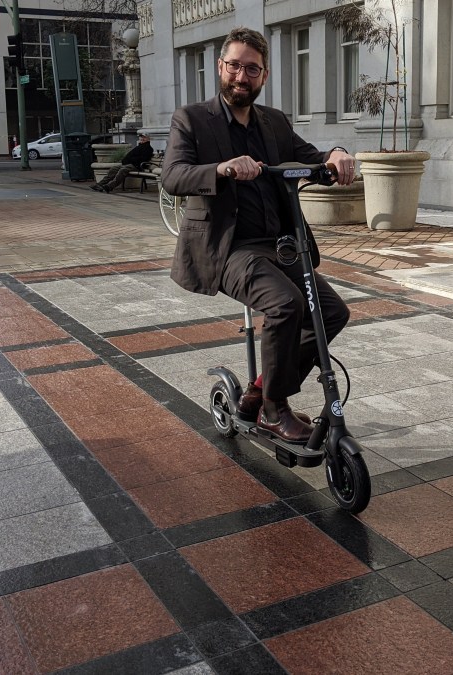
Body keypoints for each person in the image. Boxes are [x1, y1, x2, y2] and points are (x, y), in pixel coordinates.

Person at [161, 26, 358, 444]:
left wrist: (336, 155)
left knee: (332, 312)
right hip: (228, 248)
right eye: (234, 66)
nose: (241, 77)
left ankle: (258, 391)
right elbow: (173, 176)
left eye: (252, 69)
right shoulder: (192, 119)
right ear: (221, 67)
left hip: (281, 247)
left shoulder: (275, 123)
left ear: (264, 76)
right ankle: (274, 410)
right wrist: (222, 168)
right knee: (285, 305)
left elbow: (312, 159)